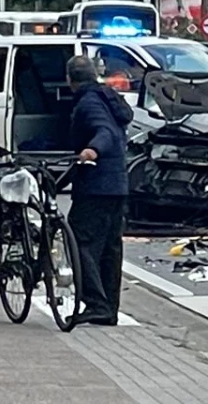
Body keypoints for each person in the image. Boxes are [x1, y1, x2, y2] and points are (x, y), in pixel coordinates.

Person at [66, 54, 132, 326]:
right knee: (109, 248)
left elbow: (104, 131)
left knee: (80, 240)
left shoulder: (89, 102)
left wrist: (92, 149)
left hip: (96, 185)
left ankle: (95, 303)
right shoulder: (108, 96)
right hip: (118, 185)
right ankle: (108, 309)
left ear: (70, 80)